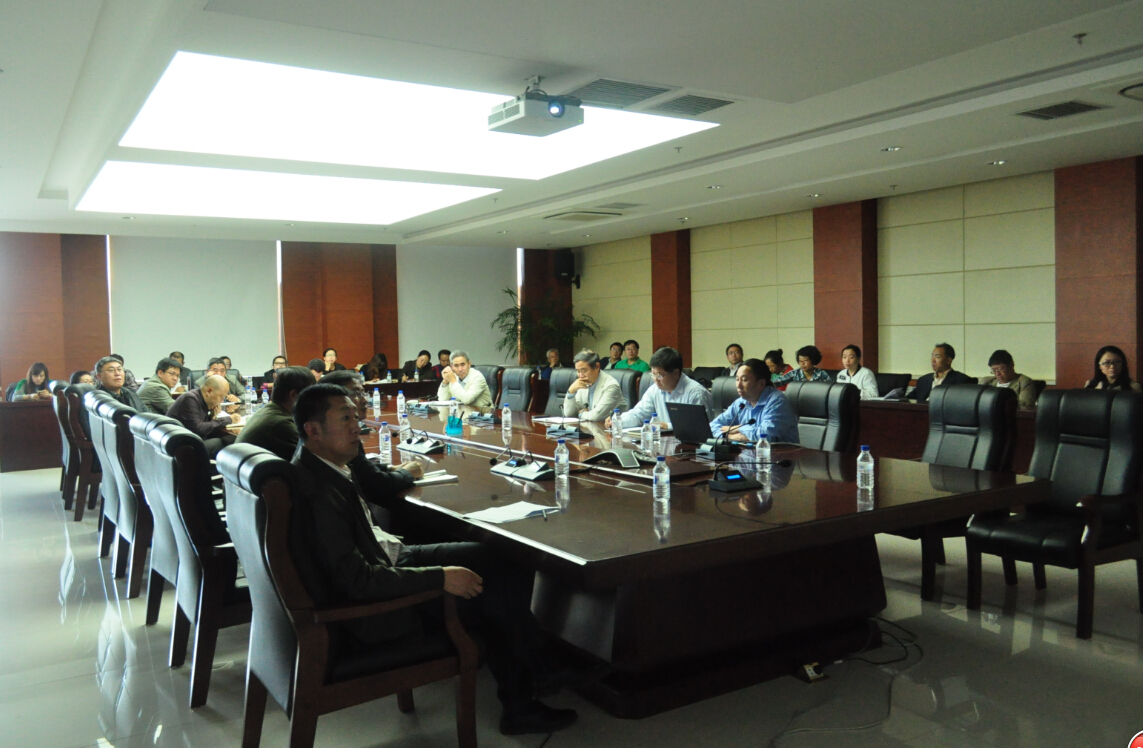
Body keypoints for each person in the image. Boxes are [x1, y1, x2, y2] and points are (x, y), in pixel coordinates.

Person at [288, 384, 582, 735]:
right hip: (377, 612)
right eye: (345, 419)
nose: (357, 426)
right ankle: (532, 685)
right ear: (313, 429)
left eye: (355, 416)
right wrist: (440, 577)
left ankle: (541, 663)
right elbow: (358, 581)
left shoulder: (319, 465)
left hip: (388, 559)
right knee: (490, 590)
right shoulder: (318, 492)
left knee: (500, 558)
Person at [606, 347, 713, 430]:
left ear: (675, 373)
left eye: (660, 375)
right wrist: (618, 421)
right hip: (662, 444)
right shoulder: (655, 389)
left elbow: (700, 428)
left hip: (690, 448)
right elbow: (639, 414)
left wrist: (668, 426)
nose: (655, 380)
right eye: (653, 374)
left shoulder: (696, 393)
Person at [709, 359, 799, 444]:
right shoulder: (741, 402)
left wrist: (738, 428)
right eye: (737, 379)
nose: (739, 385)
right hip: (748, 453)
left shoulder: (777, 401)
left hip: (779, 454)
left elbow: (765, 436)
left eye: (744, 380)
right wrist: (731, 436)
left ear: (761, 383)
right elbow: (711, 427)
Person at [235, 366, 314, 460]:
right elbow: (312, 461)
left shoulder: (268, 411)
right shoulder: (281, 423)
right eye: (310, 395)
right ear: (293, 395)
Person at [167, 374, 238, 458]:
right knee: (220, 443)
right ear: (209, 391)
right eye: (221, 397)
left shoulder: (200, 399)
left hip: (185, 443)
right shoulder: (190, 399)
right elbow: (199, 429)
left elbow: (199, 426)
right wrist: (229, 419)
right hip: (180, 449)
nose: (221, 401)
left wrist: (211, 417)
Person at [80, 356, 145, 439]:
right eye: (111, 370)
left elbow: (147, 414)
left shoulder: (131, 393)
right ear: (99, 376)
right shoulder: (100, 400)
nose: (117, 373)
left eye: (120, 369)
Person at [563, 350, 625, 422]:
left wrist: (580, 414)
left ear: (597, 367)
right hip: (587, 427)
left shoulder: (611, 386)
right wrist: (571, 392)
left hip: (609, 428)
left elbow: (596, 416)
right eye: (578, 371)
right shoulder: (582, 384)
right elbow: (569, 414)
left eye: (583, 371)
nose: (580, 375)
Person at [909, 343, 974, 402]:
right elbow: (908, 399)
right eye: (932, 356)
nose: (933, 360)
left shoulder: (961, 380)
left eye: (937, 357)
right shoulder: (923, 380)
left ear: (948, 361)